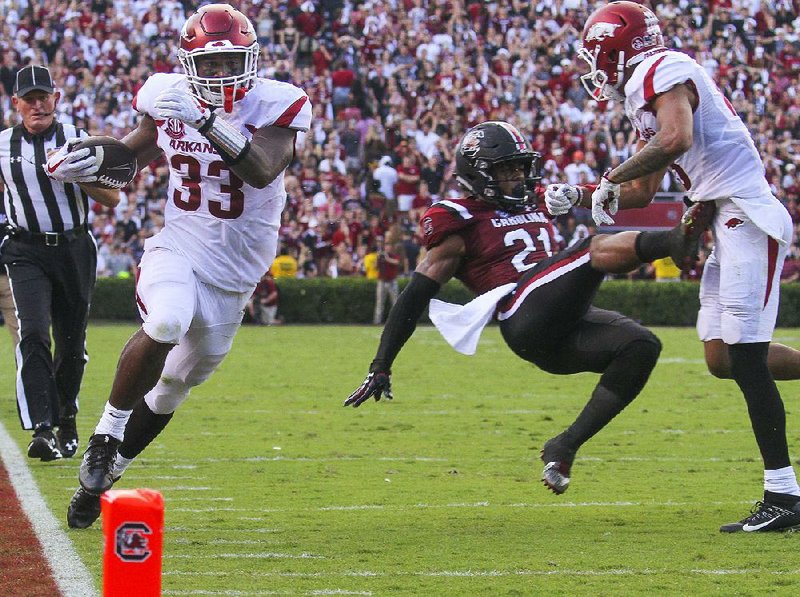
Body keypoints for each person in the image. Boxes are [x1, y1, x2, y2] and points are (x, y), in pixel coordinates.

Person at [345, 121, 713, 499]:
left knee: (641, 346)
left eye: (521, 167)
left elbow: (614, 197)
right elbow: (415, 295)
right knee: (592, 247)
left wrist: (574, 193)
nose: (518, 176)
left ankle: (564, 446)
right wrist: (381, 364)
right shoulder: (457, 217)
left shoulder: (536, 197)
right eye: (507, 169)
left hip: (560, 323)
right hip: (522, 312)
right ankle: (674, 241)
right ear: (479, 173)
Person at [547, 1, 800, 532]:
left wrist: (611, 177)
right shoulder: (649, 85)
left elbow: (675, 140)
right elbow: (641, 187)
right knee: (720, 359)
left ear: (618, 48)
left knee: (747, 357)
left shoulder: (661, 68)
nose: (596, 66)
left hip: (744, 213)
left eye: (598, 54)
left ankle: (785, 496)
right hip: (722, 219)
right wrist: (582, 193)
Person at [64, 3, 312, 529]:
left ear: (251, 59)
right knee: (167, 319)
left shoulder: (279, 102)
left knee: (177, 385)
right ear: (188, 62)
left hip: (237, 275)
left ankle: (108, 473)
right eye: (211, 63)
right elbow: (131, 158)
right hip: (179, 246)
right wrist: (86, 160)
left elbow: (263, 168)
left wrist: (204, 118)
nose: (222, 74)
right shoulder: (164, 94)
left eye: (231, 61)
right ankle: (105, 437)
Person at [0, 65, 120, 462]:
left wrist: (74, 175)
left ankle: (66, 415)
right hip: (24, 250)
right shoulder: (3, 145)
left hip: (73, 246)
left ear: (57, 99)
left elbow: (113, 198)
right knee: (33, 334)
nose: (37, 105)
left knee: (72, 345)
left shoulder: (79, 140)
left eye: (43, 97)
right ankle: (42, 428)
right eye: (28, 99)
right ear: (15, 103)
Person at [373, 236, 401, 325]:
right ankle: (377, 321)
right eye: (386, 246)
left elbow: (397, 262)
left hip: (392, 281)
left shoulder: (393, 255)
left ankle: (395, 321)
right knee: (380, 302)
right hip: (382, 280)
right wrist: (377, 258)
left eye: (389, 246)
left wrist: (387, 259)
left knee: (395, 302)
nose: (387, 248)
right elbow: (375, 267)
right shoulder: (381, 256)